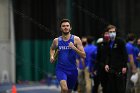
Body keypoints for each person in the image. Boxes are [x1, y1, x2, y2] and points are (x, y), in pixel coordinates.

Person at [50, 19, 86, 93]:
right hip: (61, 69)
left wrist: (74, 48)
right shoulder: (56, 40)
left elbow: (84, 55)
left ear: (70, 28)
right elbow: (52, 49)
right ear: (60, 28)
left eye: (67, 26)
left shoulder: (76, 39)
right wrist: (52, 56)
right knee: (64, 88)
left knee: (68, 91)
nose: (65, 27)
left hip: (73, 70)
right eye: (63, 26)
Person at [104, 25, 128, 93]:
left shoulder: (121, 41)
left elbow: (125, 54)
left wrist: (124, 66)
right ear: (107, 33)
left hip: (120, 68)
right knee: (112, 88)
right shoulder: (108, 43)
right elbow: (108, 55)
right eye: (110, 32)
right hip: (112, 69)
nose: (112, 33)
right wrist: (106, 64)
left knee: (120, 88)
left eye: (114, 31)